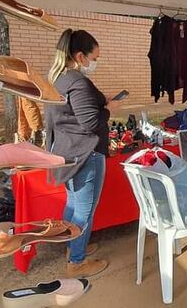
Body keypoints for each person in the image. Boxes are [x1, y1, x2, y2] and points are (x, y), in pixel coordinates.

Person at [45, 29, 120, 277]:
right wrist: (109, 108)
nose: (94, 63)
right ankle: (76, 262)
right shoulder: (77, 82)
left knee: (73, 205)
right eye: (94, 58)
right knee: (84, 210)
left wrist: (100, 100)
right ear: (79, 56)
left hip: (68, 151)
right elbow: (90, 122)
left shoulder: (59, 79)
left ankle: (73, 247)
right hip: (86, 153)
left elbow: (73, 112)